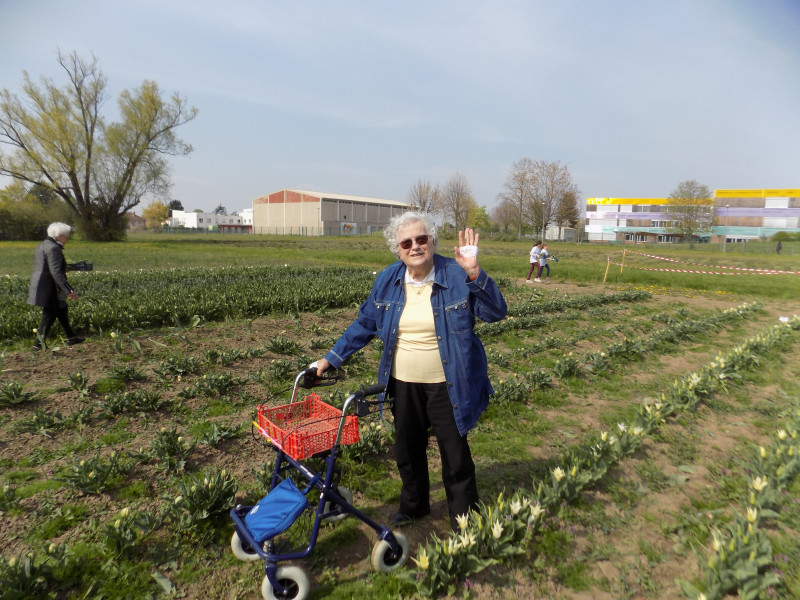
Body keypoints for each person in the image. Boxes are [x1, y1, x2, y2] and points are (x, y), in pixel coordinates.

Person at [314, 211, 507, 530]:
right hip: (403, 384)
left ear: (432, 241)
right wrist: (330, 359)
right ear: (398, 248)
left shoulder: (455, 274)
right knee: (407, 448)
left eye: (422, 239)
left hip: (449, 383)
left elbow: (496, 312)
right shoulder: (388, 280)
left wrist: (475, 274)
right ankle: (414, 505)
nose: (415, 246)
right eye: (407, 242)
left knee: (455, 453)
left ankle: (464, 516)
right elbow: (365, 323)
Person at [27, 222, 85, 349]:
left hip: (41, 283)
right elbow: (55, 272)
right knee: (49, 313)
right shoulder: (54, 248)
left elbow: (47, 266)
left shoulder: (43, 245)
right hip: (50, 286)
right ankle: (38, 345)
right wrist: (69, 290)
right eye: (66, 237)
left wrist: (66, 267)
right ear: (59, 236)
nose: (67, 240)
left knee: (61, 308)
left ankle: (71, 337)